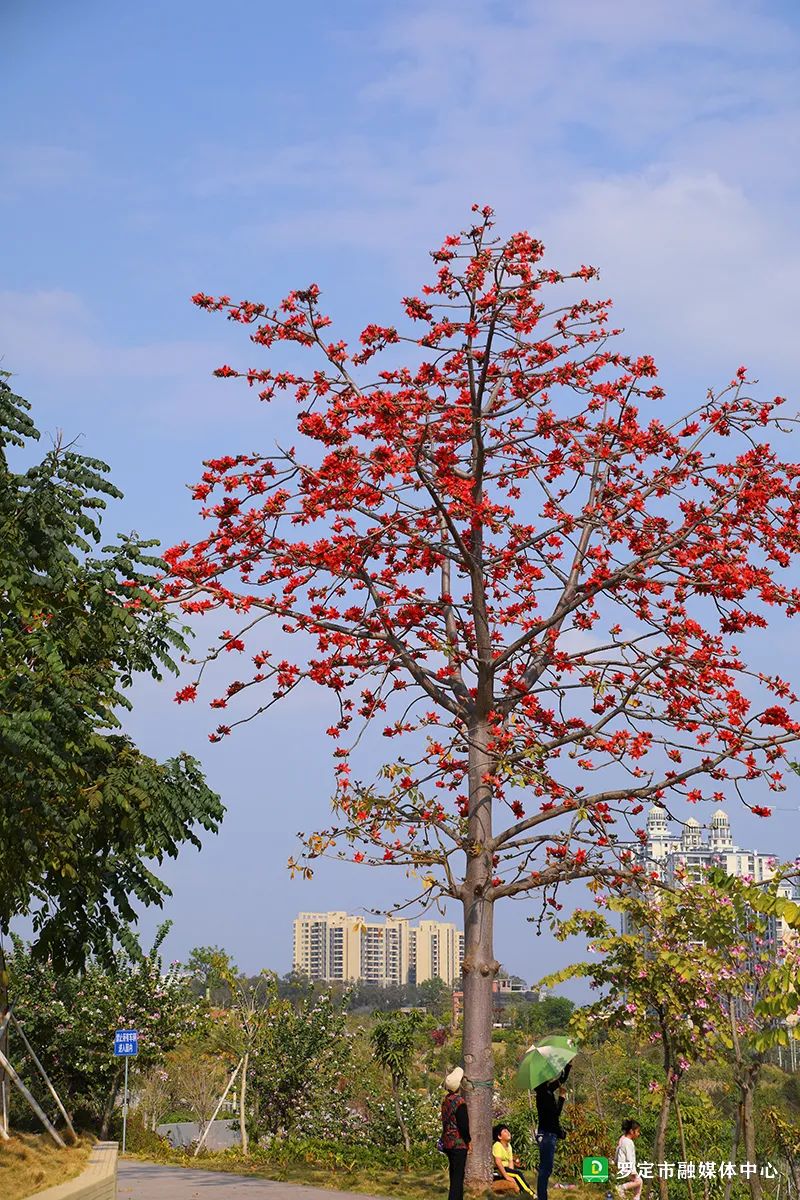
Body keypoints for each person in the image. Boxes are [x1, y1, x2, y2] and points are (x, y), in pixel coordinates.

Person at [534, 1063, 571, 1200]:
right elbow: (555, 1114)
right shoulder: (545, 1095)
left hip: (547, 1133)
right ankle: (542, 1197)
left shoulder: (545, 1090)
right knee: (545, 1169)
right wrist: (561, 1098)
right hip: (548, 1135)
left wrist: (568, 1066)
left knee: (545, 1168)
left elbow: (561, 1079)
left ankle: (542, 1196)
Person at [441, 1066, 471, 1200]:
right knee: (458, 1179)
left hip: (447, 1142)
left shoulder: (446, 1101)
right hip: (458, 1144)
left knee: (453, 1176)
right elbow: (463, 1126)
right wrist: (469, 1141)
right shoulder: (460, 1103)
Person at [493, 1123, 534, 1194]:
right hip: (499, 1169)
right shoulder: (497, 1145)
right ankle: (529, 1193)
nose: (508, 1133)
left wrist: (511, 1172)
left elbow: (510, 1161)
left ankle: (522, 1192)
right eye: (505, 1131)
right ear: (499, 1136)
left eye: (508, 1131)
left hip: (507, 1169)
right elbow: (498, 1162)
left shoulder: (509, 1146)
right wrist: (506, 1176)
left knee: (516, 1174)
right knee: (518, 1174)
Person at [615, 1119, 643, 1200]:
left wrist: (615, 1162)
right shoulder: (627, 1142)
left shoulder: (623, 1140)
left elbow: (617, 1151)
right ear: (631, 1131)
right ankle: (621, 1188)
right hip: (626, 1167)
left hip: (623, 1166)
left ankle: (636, 1197)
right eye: (637, 1131)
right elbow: (629, 1158)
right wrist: (633, 1171)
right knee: (638, 1181)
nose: (638, 1134)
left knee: (639, 1181)